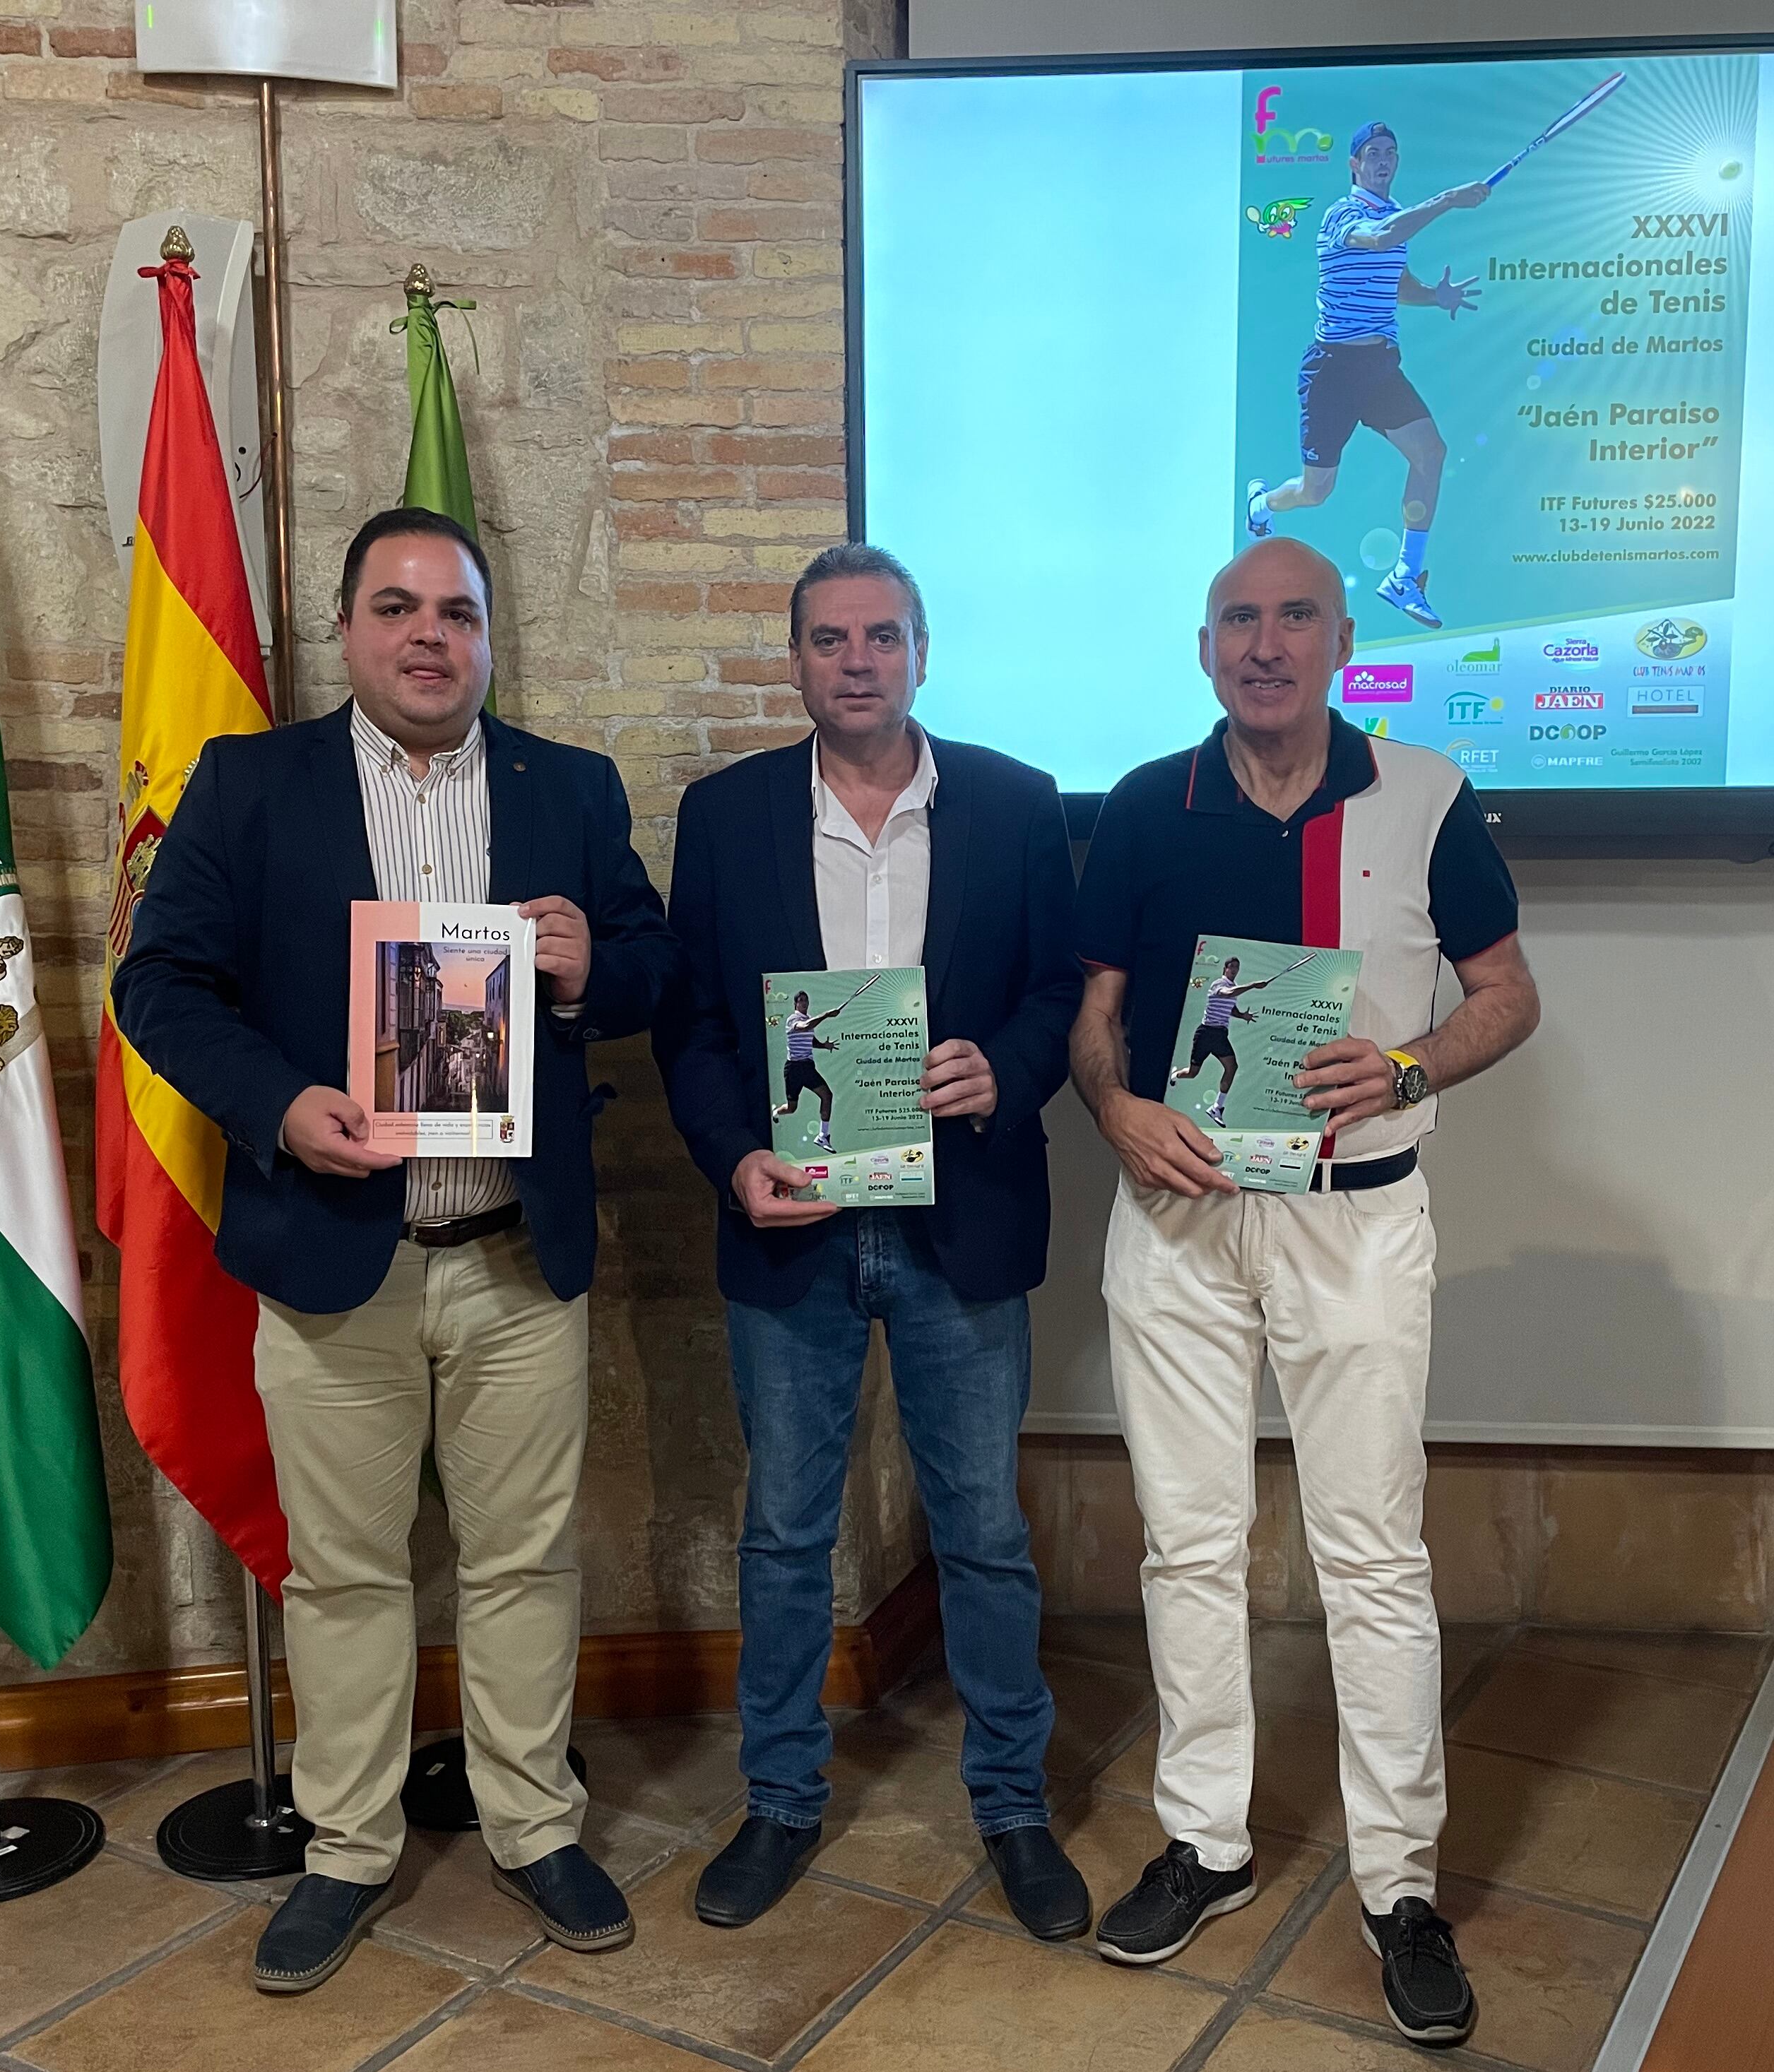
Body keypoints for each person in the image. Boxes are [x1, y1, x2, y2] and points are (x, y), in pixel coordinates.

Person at [113, 506, 681, 1992]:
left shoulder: (567, 787)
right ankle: (348, 1848)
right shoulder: (247, 788)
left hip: (511, 1260)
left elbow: (657, 967)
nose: (432, 636)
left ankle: (532, 1822)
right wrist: (278, 1104)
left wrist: (587, 970)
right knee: (348, 1574)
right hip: (333, 1255)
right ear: (351, 631)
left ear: (488, 637)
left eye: (459, 613)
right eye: (400, 608)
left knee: (522, 1560)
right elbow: (156, 984)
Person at [1068, 537, 1539, 2046]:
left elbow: (1508, 994)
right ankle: (1205, 1842)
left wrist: (1402, 1065)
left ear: (1342, 640)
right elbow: (1099, 1020)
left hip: (1355, 1224)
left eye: (1293, 618)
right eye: (1236, 621)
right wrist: (1116, 1112)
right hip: (1183, 1224)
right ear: (1205, 648)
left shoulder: (1425, 796)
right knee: (1188, 1544)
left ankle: (1401, 1887)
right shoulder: (1148, 804)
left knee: (1372, 1556)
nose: (1264, 644)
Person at [657, 543, 1092, 1941]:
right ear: (795, 661)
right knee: (787, 1534)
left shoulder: (1018, 805)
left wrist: (1005, 1072)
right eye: (831, 639)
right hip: (794, 1233)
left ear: (922, 653)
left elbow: (1054, 989)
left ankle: (1013, 1805)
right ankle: (781, 1799)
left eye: (883, 636)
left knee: (982, 1530)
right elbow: (694, 1028)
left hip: (958, 1218)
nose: (858, 660)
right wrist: (735, 1157)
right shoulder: (723, 817)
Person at [1245, 121, 1486, 628]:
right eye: (1373, 153)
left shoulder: (1397, 215)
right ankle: (1263, 503)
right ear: (1354, 164)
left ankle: (1405, 576)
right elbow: (1377, 241)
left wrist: (1435, 297)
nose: (1383, 161)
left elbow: (1398, 285)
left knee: (1431, 453)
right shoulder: (1343, 215)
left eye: (1391, 153)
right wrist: (1446, 201)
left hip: (1379, 369)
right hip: (1332, 371)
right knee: (1316, 492)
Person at [1167, 955, 1272, 1126]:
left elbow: (1232, 1009)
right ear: (1225, 968)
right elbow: (1227, 994)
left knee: (1232, 1067)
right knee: (1193, 1073)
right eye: (1232, 967)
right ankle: (1177, 1074)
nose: (1234, 970)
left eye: (1237, 967)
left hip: (1220, 1036)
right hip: (1205, 1034)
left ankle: (1217, 1107)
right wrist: (1253, 985)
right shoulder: (1219, 984)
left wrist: (1242, 1015)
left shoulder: (1233, 988)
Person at [771, 988, 846, 1150]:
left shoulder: (809, 1019)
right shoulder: (793, 1020)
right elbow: (804, 1027)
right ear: (795, 1004)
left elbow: (810, 1040)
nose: (804, 1003)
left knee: (827, 1096)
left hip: (808, 1068)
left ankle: (822, 1136)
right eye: (801, 1001)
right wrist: (826, 1015)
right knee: (792, 1109)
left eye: (806, 1001)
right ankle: (777, 1112)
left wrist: (824, 1046)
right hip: (794, 1070)